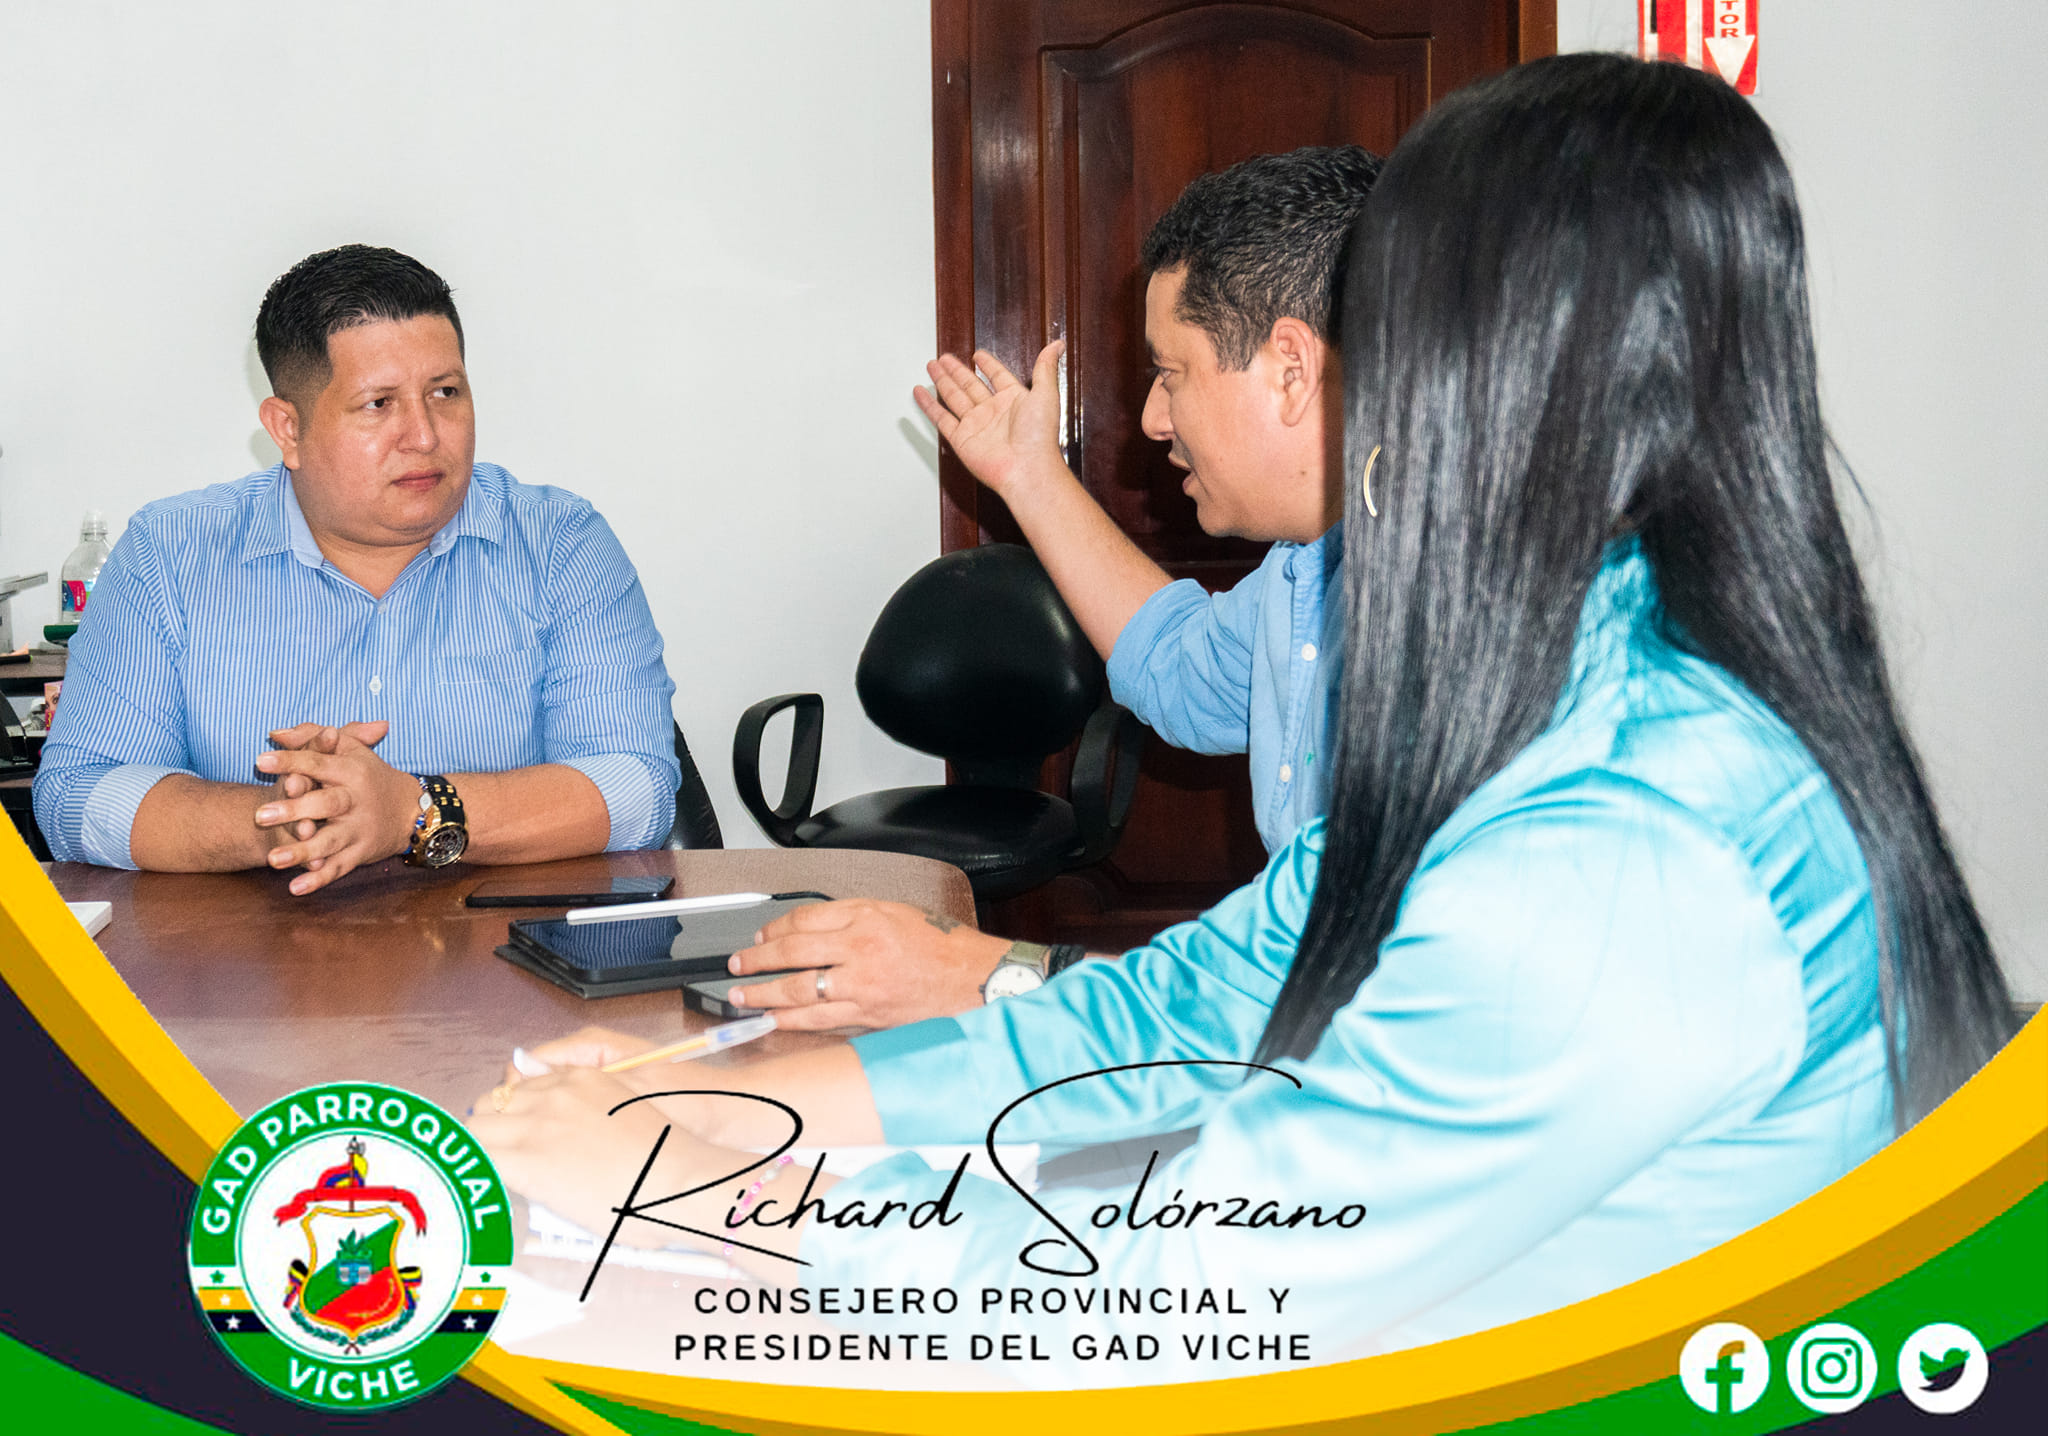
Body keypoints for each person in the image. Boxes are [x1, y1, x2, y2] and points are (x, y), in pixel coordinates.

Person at [470, 53, 2014, 1369]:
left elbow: (1220, 1281)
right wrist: (711, 1098)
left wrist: (708, 1188)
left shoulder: (1623, 847)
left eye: (1375, 336)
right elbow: (1203, 1002)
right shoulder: (1546, 683)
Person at [722, 147, 1381, 1029]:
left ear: (1291, 370)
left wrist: (979, 974)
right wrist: (1028, 477)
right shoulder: (1301, 574)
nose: (1152, 419)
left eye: (1171, 373)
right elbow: (1177, 668)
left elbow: (1326, 1013)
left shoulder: (1473, 624)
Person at [33, 245, 680, 892]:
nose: (424, 435)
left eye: (445, 392)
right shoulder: (171, 555)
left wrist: (416, 811)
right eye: (379, 404)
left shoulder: (560, 544)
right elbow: (77, 796)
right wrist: (282, 822)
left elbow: (636, 786)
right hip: (252, 946)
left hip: (509, 943)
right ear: (287, 430)